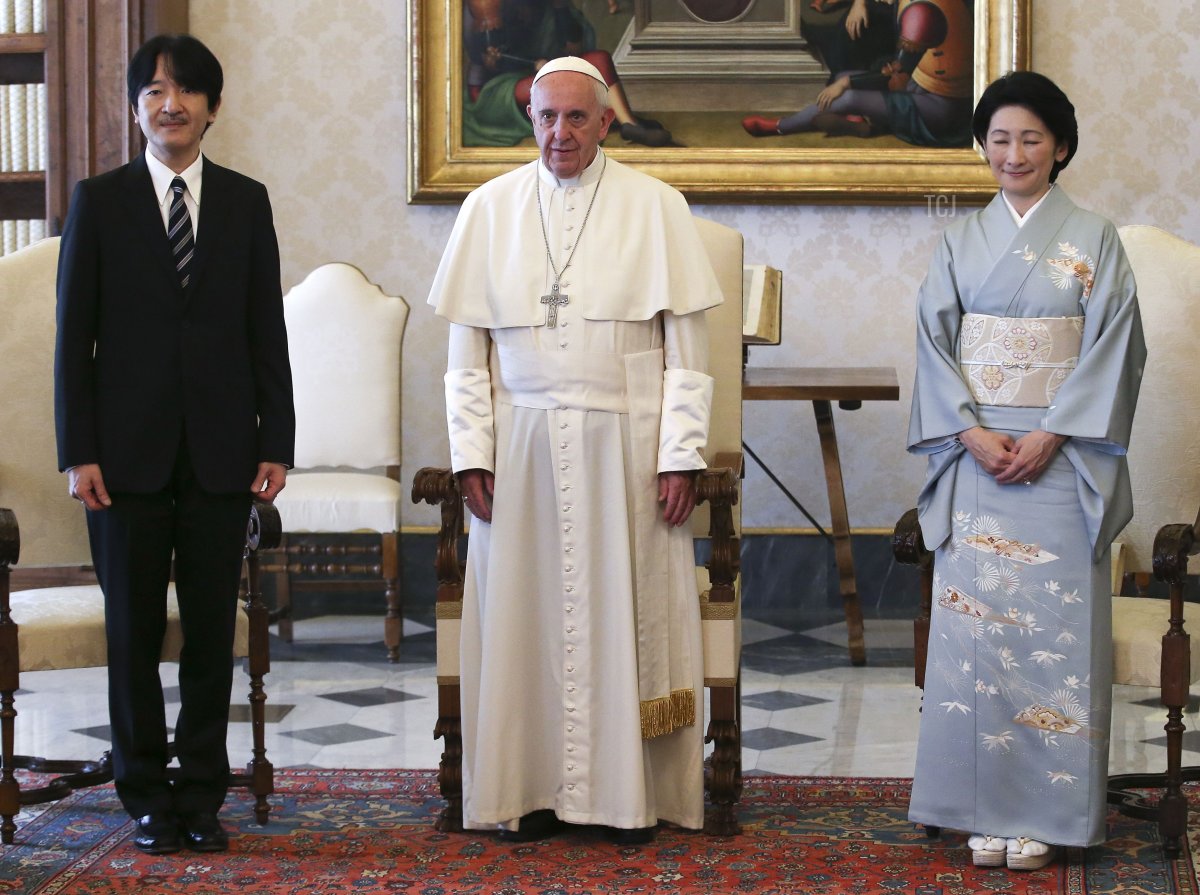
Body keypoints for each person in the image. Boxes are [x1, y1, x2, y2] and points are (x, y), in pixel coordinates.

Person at [427, 55, 723, 843]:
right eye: (546, 117)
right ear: (531, 120)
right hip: (517, 448)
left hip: (624, 447)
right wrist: (470, 455)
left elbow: (689, 354)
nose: (560, 133)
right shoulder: (488, 210)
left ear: (605, 119)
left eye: (576, 118)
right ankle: (521, 791)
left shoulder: (657, 207)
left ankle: (628, 799)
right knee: (522, 622)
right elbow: (466, 359)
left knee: (622, 617)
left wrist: (680, 454)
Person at [54, 34, 295, 855]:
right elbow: (71, 340)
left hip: (225, 453)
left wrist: (279, 438)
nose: (171, 104)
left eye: (188, 91)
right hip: (122, 459)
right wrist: (76, 450)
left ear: (213, 108)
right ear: (135, 107)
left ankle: (200, 793)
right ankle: (145, 793)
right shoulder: (100, 199)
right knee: (131, 632)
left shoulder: (246, 200)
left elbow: (267, 327)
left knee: (205, 632)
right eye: (155, 90)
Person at [906, 71, 1145, 871]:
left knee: (1053, 637)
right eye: (1000, 138)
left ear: (1061, 147)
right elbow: (934, 345)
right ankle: (976, 804)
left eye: (1031, 138)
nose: (1014, 153)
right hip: (977, 458)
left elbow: (1116, 347)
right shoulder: (958, 242)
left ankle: (1048, 813)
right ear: (983, 147)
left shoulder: (1095, 240)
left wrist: (1053, 430)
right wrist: (969, 433)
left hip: (1057, 459)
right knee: (975, 642)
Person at [743, 0, 972, 147]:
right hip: (920, 84)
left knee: (848, 94)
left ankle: (780, 126)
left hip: (942, 112)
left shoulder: (922, 12)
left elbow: (895, 74)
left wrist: (845, 84)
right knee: (845, 75)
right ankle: (867, 125)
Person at [463, 0, 671, 147]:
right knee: (547, 80)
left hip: (544, 73)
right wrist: (532, 64)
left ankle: (629, 124)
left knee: (598, 59)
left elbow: (573, 49)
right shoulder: (487, 4)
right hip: (498, 89)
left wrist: (560, 9)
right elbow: (487, 59)